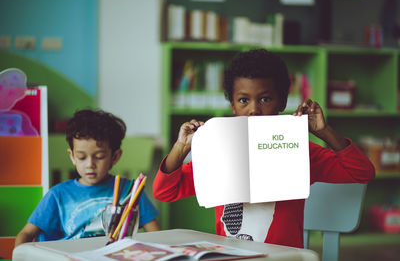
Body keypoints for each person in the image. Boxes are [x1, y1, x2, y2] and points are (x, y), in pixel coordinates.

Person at [152, 49, 375, 248]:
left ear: (282, 102)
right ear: (232, 105)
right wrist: (180, 148)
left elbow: (362, 172)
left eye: (265, 98)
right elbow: (164, 192)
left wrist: (324, 131)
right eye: (243, 100)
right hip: (231, 255)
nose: (254, 110)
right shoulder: (218, 152)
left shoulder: (300, 150)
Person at [15, 109, 160, 247]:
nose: (90, 164)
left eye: (99, 157)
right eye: (81, 157)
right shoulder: (58, 195)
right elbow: (26, 234)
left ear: (115, 156)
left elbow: (156, 236)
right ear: (72, 156)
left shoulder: (131, 192)